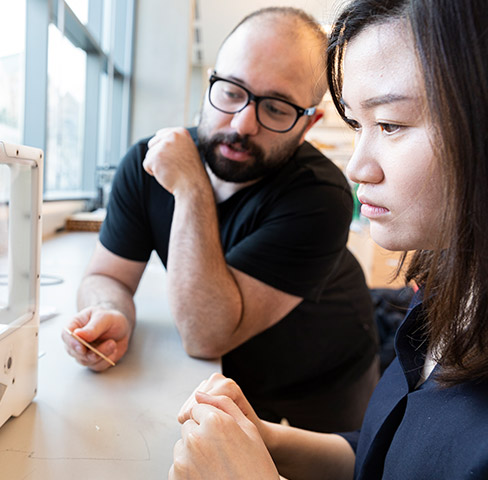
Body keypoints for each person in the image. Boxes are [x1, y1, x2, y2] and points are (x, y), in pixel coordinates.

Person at [170, 0, 488, 478]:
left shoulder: (316, 195)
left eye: (391, 124)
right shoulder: (451, 293)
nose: (358, 168)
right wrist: (265, 440)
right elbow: (388, 456)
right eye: (359, 125)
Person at [62, 7, 379, 433]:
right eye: (231, 91)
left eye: (277, 107)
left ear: (309, 124)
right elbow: (109, 275)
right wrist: (109, 310)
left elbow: (204, 334)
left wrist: (192, 188)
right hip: (230, 370)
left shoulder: (322, 195)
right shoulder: (147, 162)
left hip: (324, 373)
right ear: (211, 82)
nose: (243, 123)